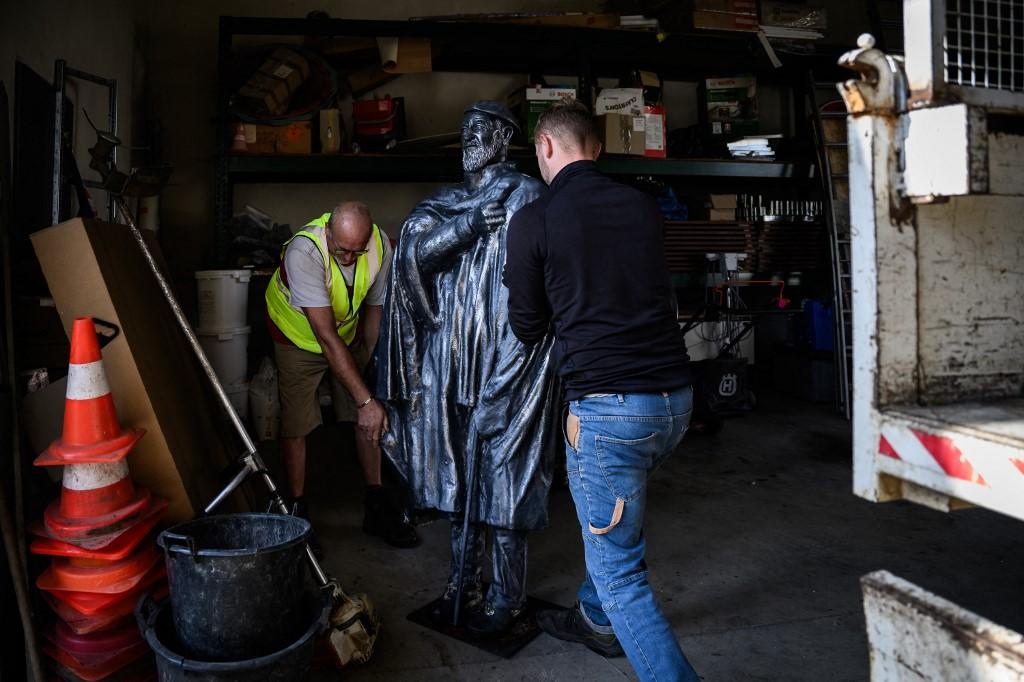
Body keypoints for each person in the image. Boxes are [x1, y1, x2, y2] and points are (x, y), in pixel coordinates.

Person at [504, 100, 699, 681]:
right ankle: (593, 619)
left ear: (544, 146)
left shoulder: (535, 220)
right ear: (597, 148)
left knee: (622, 576)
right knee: (611, 513)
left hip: (610, 412)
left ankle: (636, 638)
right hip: (676, 404)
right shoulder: (642, 208)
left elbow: (527, 327)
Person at [376, 101, 559, 636]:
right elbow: (414, 255)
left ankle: (506, 596)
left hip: (508, 360)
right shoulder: (447, 203)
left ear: (503, 141)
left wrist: (511, 368)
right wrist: (469, 224)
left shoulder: (526, 195)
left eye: (480, 133)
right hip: (449, 364)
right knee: (457, 482)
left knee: (504, 484)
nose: (468, 141)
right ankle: (463, 581)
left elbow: (538, 286)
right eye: (464, 133)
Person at [264, 201, 419, 549]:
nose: (349, 259)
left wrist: (372, 374)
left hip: (346, 335)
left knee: (370, 414)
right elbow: (325, 337)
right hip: (297, 337)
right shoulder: (305, 250)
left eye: (356, 251)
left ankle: (376, 504)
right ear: (329, 232)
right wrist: (364, 399)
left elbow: (375, 311)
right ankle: (298, 511)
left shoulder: (380, 246)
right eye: (341, 250)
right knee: (298, 421)